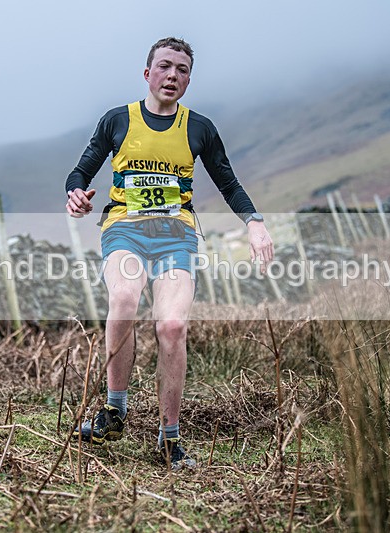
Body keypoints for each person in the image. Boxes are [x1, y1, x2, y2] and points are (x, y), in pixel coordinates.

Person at [65, 37, 274, 470]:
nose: (172, 76)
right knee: (124, 299)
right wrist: (76, 196)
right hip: (124, 229)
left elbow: (228, 182)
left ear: (188, 80)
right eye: (164, 67)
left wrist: (254, 223)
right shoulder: (117, 120)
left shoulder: (199, 128)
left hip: (176, 236)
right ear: (148, 74)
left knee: (173, 326)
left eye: (182, 70)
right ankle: (115, 411)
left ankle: (169, 439)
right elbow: (81, 170)